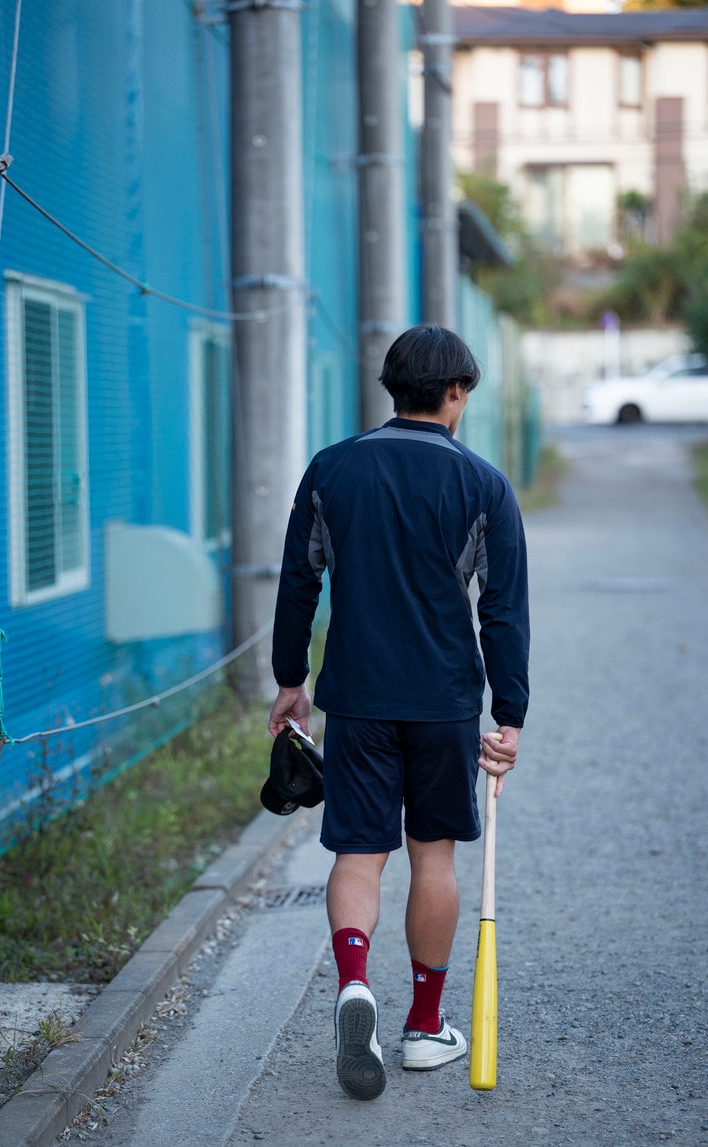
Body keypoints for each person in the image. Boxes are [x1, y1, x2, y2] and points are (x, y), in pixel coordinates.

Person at [267, 324, 529, 1101]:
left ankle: (354, 982)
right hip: (442, 699)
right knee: (433, 856)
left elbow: (298, 580)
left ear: (392, 389)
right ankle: (422, 1025)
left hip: (356, 696)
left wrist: (290, 678)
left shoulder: (332, 468)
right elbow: (501, 610)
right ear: (454, 393)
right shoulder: (482, 485)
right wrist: (509, 713)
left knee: (357, 852)